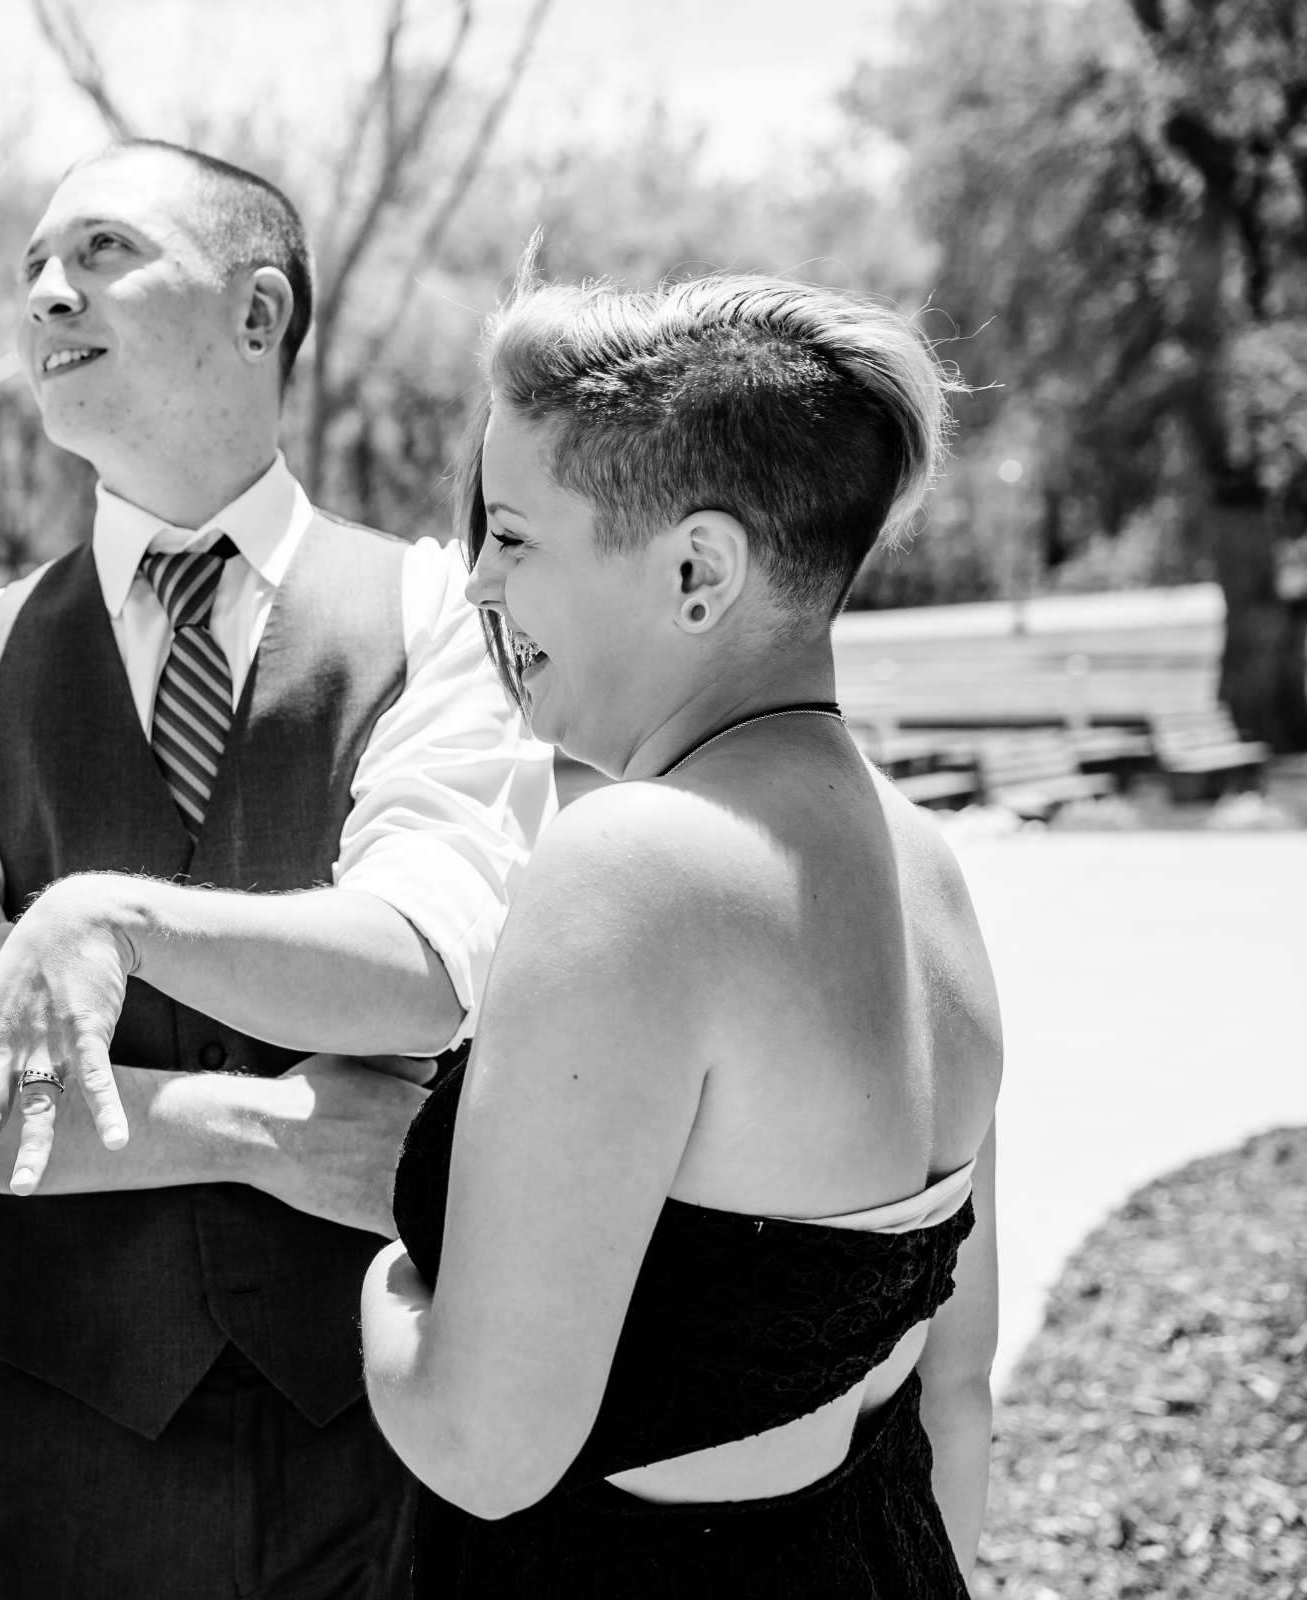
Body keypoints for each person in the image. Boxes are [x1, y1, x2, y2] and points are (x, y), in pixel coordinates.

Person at [0, 139, 555, 1599]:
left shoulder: (437, 617)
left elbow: (421, 974)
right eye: (32, 269)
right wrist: (273, 1127)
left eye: (103, 251)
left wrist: (94, 947)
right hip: (65, 1483)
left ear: (257, 312)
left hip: (391, 1455)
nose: (47, 294)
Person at [361, 271, 1000, 1595]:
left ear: (697, 569)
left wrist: (384, 1283)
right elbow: (960, 1395)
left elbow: (482, 1446)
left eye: (517, 537)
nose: (477, 578)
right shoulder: (925, 867)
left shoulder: (633, 865)